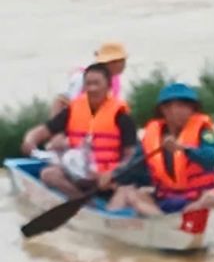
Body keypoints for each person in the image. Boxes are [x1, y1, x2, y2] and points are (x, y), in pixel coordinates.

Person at [22, 63, 137, 198]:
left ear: (108, 86)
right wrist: (29, 141)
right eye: (88, 84)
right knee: (48, 174)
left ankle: (91, 203)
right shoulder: (73, 109)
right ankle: (83, 201)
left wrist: (113, 173)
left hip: (106, 175)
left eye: (96, 83)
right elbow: (44, 130)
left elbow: (131, 155)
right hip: (77, 171)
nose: (92, 88)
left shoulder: (122, 116)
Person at [108, 83, 214, 215]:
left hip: (197, 196)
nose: (179, 111)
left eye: (185, 106)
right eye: (173, 106)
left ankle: (176, 222)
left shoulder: (205, 132)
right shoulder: (151, 135)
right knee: (125, 191)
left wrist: (184, 148)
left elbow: (210, 158)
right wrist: (113, 177)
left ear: (193, 109)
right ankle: (159, 223)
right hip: (165, 197)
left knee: (212, 198)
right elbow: (135, 165)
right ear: (163, 110)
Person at [53, 42, 128, 115]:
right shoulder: (81, 77)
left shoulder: (115, 79)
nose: (124, 65)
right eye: (122, 61)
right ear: (112, 62)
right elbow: (63, 100)